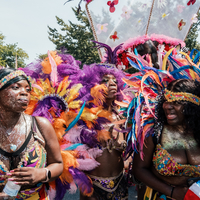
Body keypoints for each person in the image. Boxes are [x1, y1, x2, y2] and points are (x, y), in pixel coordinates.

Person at [0, 68, 63, 199]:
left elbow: (58, 164)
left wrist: (42, 173)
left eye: (28, 90)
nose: (24, 93)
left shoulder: (40, 125)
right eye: (16, 87)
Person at [132, 79, 200, 200]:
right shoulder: (153, 132)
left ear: (192, 106)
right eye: (166, 101)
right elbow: (139, 169)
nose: (168, 106)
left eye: (176, 102)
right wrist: (172, 192)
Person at [76, 63, 128, 200]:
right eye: (105, 81)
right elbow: (74, 157)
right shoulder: (86, 119)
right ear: (92, 85)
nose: (111, 84)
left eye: (115, 81)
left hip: (120, 184)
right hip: (94, 187)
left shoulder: (121, 118)